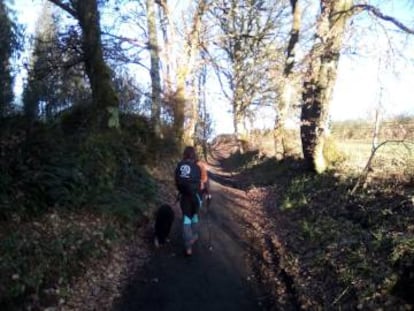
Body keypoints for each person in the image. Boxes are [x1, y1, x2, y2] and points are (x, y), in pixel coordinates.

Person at [175, 146, 203, 256]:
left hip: (184, 197)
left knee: (186, 219)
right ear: (193, 155)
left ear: (184, 154)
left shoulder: (179, 165)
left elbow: (177, 181)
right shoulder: (197, 167)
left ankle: (188, 247)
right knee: (194, 216)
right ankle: (194, 236)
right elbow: (200, 184)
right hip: (195, 197)